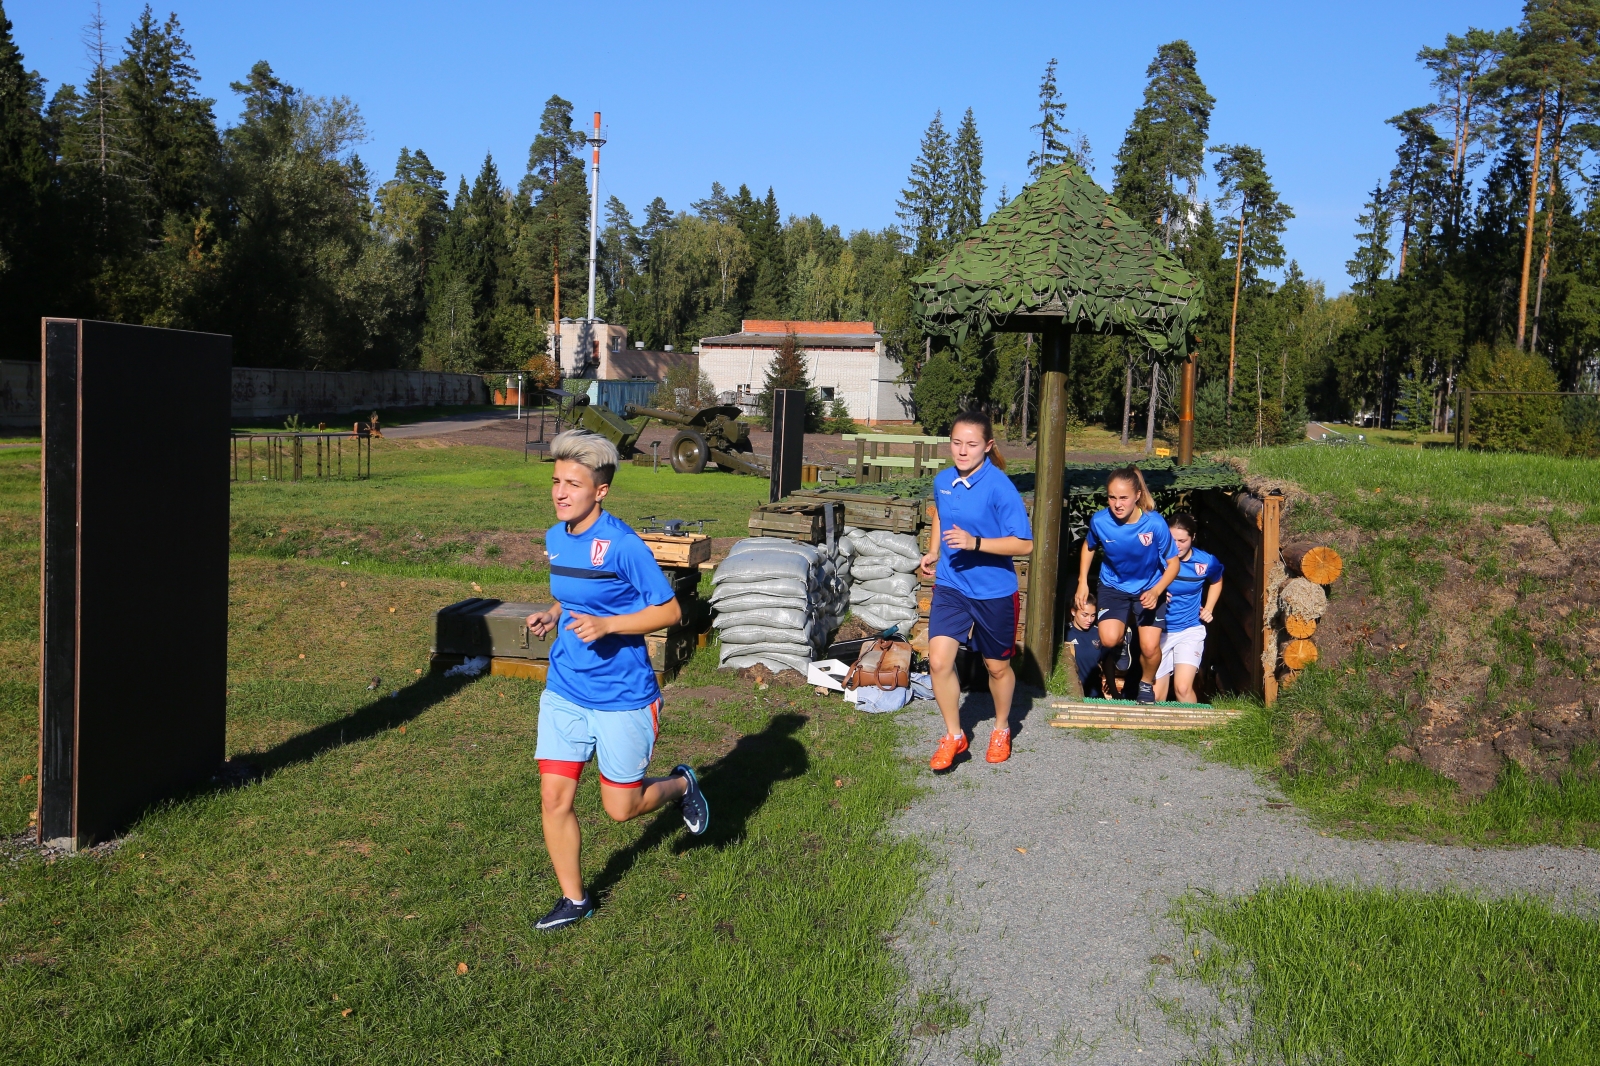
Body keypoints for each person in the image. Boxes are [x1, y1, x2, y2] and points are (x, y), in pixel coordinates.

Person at [524, 430, 709, 931]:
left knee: (621, 808)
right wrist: (552, 611)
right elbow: (578, 592)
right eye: (556, 481)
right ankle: (575, 899)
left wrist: (608, 626)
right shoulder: (555, 538)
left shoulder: (624, 545)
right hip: (565, 687)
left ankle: (681, 784)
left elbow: (670, 610)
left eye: (573, 484)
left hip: (622, 696)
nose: (560, 492)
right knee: (554, 798)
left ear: (600, 491)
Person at [918, 411, 1034, 769]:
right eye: (956, 443)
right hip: (952, 584)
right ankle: (955, 735)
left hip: (994, 592)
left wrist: (976, 542)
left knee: (996, 667)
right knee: (938, 661)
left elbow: (1024, 545)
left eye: (971, 444)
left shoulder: (1000, 487)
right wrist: (935, 550)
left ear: (988, 446)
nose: (962, 451)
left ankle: (1001, 727)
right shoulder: (943, 480)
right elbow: (940, 513)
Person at [1074, 466, 1181, 705]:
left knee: (1150, 647)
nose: (1117, 504)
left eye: (1123, 498)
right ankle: (1122, 642)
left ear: (1137, 496)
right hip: (1114, 586)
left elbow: (1173, 564)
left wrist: (1157, 590)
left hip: (1150, 588)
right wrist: (1083, 582)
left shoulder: (1154, 524)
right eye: (1112, 497)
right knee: (1110, 639)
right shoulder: (1101, 521)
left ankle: (1145, 683)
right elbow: (1089, 547)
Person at [1152, 513, 1223, 705]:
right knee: (1157, 696)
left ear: (1193, 538)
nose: (1176, 546)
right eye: (1171, 539)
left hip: (1189, 629)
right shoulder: (1155, 559)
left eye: (1182, 540)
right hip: (1158, 631)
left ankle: (1198, 731)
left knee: (1182, 688)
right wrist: (1155, 592)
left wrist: (1209, 608)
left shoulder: (1205, 561)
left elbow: (1217, 580)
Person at [1065, 594, 1105, 696]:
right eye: (1085, 615)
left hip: (1094, 694)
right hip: (1070, 694)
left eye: (1093, 615)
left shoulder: (1099, 633)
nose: (1089, 620)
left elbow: (1107, 661)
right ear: (1073, 612)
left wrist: (1112, 685)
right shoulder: (1064, 633)